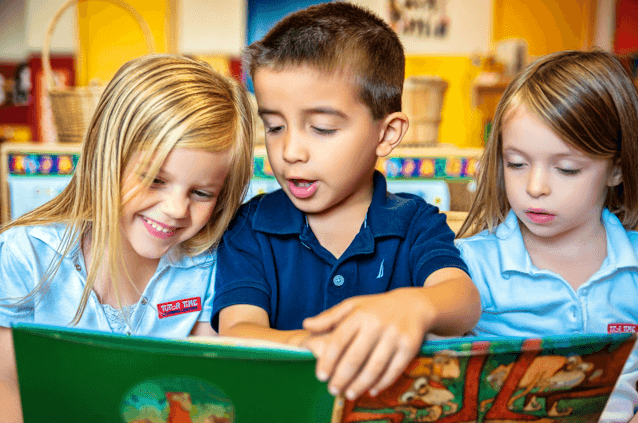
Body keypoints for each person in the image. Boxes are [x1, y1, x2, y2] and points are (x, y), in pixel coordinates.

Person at [212, 2, 481, 402]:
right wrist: (320, 348)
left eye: (322, 128)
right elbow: (239, 330)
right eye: (274, 126)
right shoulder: (250, 228)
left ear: (387, 134)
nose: (290, 151)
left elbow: (463, 300)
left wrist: (416, 305)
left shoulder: (414, 223)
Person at [0, 54, 254, 423]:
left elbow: (208, 390)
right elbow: (7, 391)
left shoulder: (209, 266)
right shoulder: (23, 258)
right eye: (155, 179)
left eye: (202, 193)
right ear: (108, 156)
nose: (175, 209)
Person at [455, 50, 638, 423]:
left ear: (616, 170)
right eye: (517, 164)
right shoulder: (470, 265)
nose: (535, 187)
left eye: (567, 169)